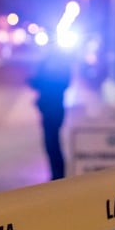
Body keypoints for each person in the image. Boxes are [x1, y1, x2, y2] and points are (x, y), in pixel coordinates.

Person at [28, 46, 73, 180]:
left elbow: (62, 83)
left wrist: (40, 82)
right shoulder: (52, 62)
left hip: (53, 108)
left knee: (53, 144)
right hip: (49, 107)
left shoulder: (57, 64)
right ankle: (56, 174)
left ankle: (58, 175)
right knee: (51, 143)